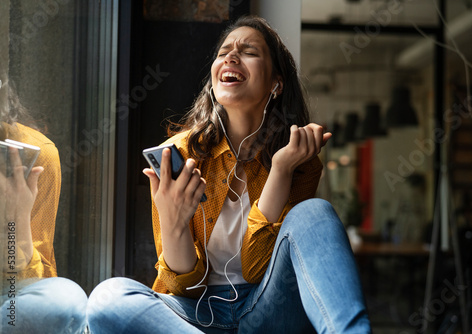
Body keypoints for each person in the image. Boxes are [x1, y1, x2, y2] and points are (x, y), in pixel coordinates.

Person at [88, 15, 371, 333]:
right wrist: (174, 222)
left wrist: (280, 169)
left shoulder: (299, 162)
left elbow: (255, 269)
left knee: (315, 212)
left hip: (267, 308)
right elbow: (184, 287)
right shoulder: (178, 154)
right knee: (108, 298)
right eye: (224, 52)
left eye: (248, 51)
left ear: (276, 83)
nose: (231, 57)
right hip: (194, 314)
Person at [0, 83, 87, 333]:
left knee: (63, 298)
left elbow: (33, 284)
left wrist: (14, 220)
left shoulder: (35, 155)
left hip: (10, 296)